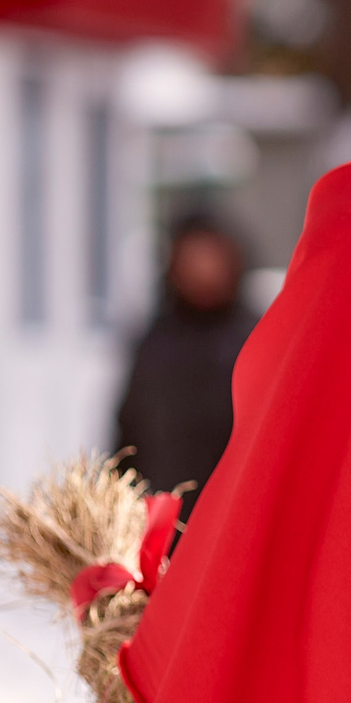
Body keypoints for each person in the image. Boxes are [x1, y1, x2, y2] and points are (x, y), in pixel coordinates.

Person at [115, 213, 257, 507]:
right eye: (192, 259)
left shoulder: (256, 339)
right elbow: (129, 429)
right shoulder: (156, 342)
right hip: (165, 508)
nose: (202, 270)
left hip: (236, 504)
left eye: (210, 258)